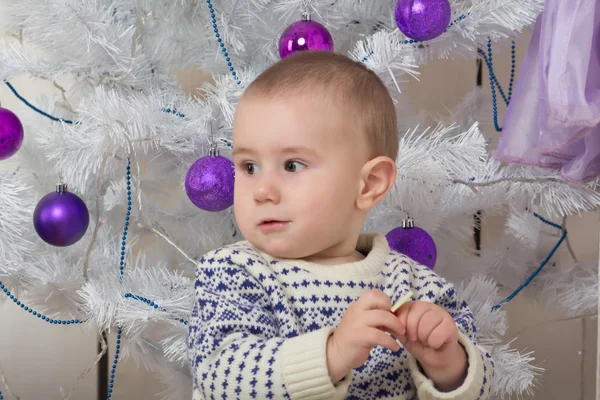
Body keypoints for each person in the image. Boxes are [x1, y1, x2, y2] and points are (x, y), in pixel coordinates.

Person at [187, 51, 493, 400]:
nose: (262, 191)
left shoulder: (415, 285)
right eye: (249, 167)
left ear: (368, 184)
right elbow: (221, 377)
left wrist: (448, 365)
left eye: (291, 165)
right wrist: (331, 355)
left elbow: (483, 387)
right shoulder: (232, 273)